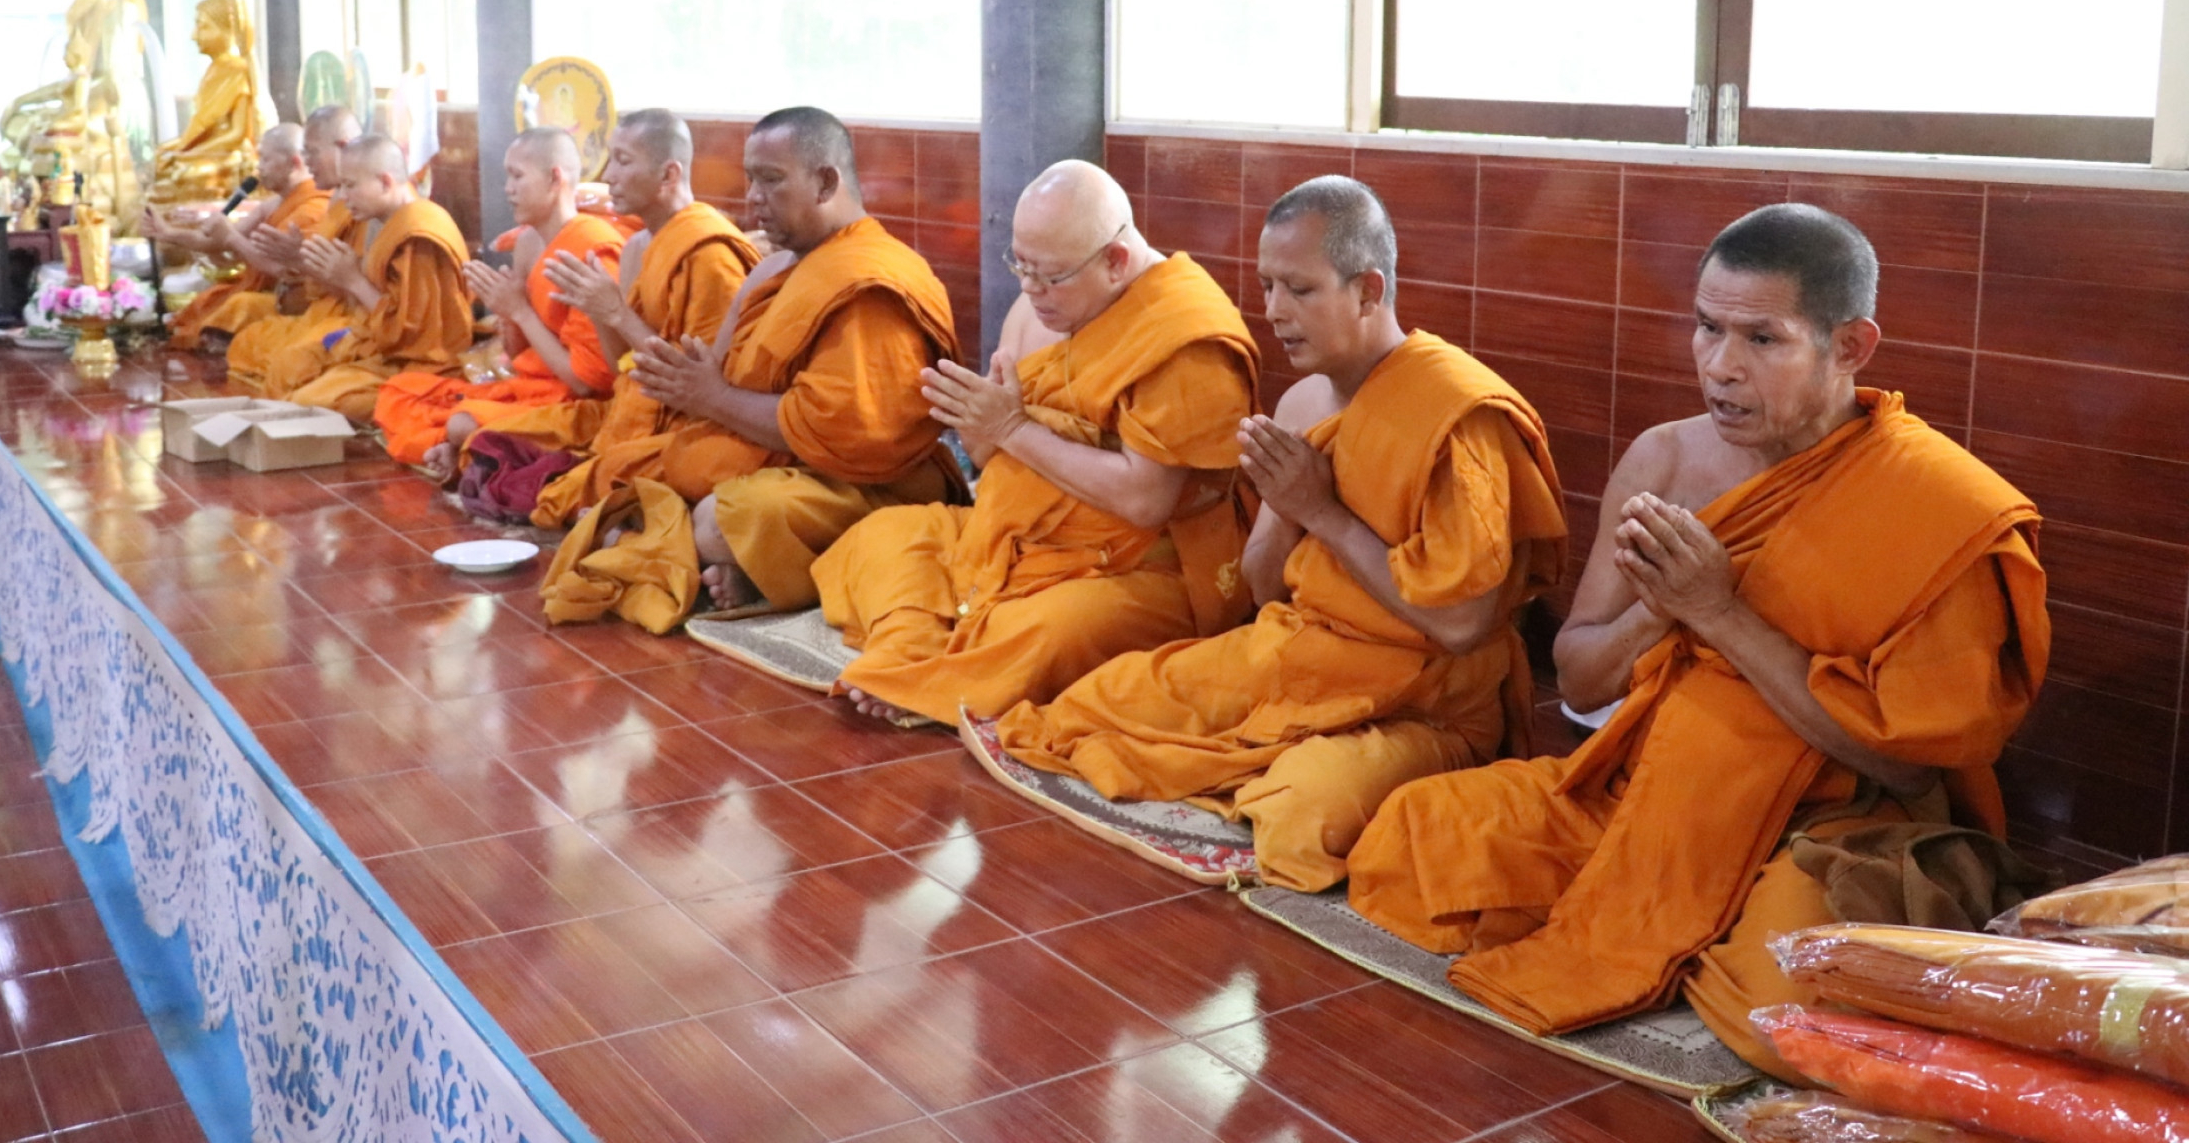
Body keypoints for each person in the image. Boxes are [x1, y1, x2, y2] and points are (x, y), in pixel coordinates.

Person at [1344, 202, 2048, 1079]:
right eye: (1707, 328)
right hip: (1643, 793)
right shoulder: (1665, 461)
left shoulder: (1940, 510)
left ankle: (1678, 938)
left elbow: (1903, 765)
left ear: (1852, 346)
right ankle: (1674, 939)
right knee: (1409, 840)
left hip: (1818, 824)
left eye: (1762, 340)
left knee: (1786, 1014)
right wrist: (1662, 610)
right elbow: (1577, 675)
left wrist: (1720, 613)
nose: (1720, 367)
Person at [985, 176, 1569, 886]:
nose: (1274, 313)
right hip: (1300, 654)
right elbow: (1264, 588)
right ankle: (1263, 753)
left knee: (1295, 811)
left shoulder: (1459, 415)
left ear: (1367, 289)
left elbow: (1462, 625)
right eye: (1265, 287)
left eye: (1300, 290)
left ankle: (1309, 767)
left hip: (1425, 699)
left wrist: (1321, 511)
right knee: (1083, 711)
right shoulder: (1299, 405)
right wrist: (1288, 510)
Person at [814, 160, 1260, 729]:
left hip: (1141, 568)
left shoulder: (1185, 340)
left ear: (1115, 262)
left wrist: (1014, 429)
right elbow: (992, 462)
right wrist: (979, 423)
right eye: (1019, 265)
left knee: (1049, 630)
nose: (1028, 289)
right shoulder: (1048, 305)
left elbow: (1146, 501)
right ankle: (912, 642)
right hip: (1022, 539)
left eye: (1047, 276)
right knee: (884, 535)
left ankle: (932, 666)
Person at [539, 107, 958, 635]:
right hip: (764, 454)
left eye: (772, 180)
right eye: (750, 180)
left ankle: (722, 561)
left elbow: (853, 436)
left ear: (826, 182)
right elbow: (716, 372)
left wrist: (709, 397)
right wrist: (687, 380)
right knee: (612, 476)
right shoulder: (772, 268)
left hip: (860, 481)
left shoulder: (869, 280)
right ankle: (712, 559)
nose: (753, 199)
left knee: (723, 519)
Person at [479, 110, 760, 522]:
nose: (608, 174)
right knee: (491, 447)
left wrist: (616, 312)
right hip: (632, 413)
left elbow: (703, 386)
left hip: (694, 425)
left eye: (624, 161)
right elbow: (620, 369)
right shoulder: (635, 248)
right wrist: (600, 312)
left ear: (668, 175)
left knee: (582, 492)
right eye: (611, 158)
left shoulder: (709, 253)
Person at [372, 128, 631, 475]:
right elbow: (520, 353)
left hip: (577, 405)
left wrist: (520, 312)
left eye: (517, 176)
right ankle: (465, 452)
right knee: (398, 392)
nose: (507, 188)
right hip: (530, 389)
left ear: (555, 178)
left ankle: (462, 449)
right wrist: (506, 313)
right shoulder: (527, 244)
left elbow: (588, 383)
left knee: (462, 424)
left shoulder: (591, 249)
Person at [258, 134, 472, 422]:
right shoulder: (390, 223)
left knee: (309, 403)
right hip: (380, 347)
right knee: (288, 368)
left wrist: (354, 281)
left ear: (385, 182)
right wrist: (312, 264)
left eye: (351, 185)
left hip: (422, 367)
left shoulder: (418, 235)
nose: (344, 197)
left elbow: (421, 340)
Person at [154, 122, 330, 351]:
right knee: (216, 297)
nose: (259, 169)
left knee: (238, 305)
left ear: (294, 163)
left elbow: (281, 269)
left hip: (294, 301)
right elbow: (215, 241)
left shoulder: (313, 207)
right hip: (267, 292)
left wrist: (231, 239)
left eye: (266, 160)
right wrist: (167, 233)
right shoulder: (274, 203)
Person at [223, 105, 365, 383]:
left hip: (359, 320)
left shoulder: (371, 205)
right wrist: (295, 260)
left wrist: (296, 260)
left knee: (290, 366)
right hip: (324, 309)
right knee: (247, 343)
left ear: (343, 147)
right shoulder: (339, 199)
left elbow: (362, 286)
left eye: (311, 152)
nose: (307, 162)